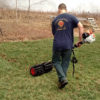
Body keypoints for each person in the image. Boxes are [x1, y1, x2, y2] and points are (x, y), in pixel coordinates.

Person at [51, 3, 84, 89]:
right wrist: (80, 40)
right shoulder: (71, 17)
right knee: (65, 62)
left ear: (59, 9)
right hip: (68, 45)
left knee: (55, 61)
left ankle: (62, 79)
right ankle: (63, 79)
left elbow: (54, 34)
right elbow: (81, 26)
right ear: (66, 9)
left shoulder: (54, 20)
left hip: (57, 44)